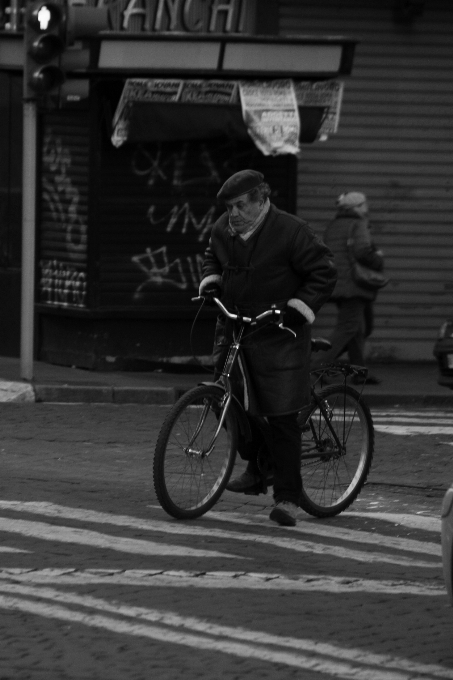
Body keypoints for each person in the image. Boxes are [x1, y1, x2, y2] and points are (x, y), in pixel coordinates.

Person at [198, 169, 337, 527]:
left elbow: (323, 271)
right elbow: (211, 254)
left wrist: (298, 308)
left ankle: (288, 497)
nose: (234, 213)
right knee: (226, 402)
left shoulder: (291, 231)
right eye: (230, 207)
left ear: (261, 200)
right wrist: (211, 279)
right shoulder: (223, 229)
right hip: (235, 329)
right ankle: (259, 465)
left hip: (279, 334)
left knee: (280, 415)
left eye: (241, 205)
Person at [313, 191, 384, 384]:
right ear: (357, 207)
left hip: (338, 283)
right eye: (364, 204)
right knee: (348, 327)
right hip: (354, 284)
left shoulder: (334, 225)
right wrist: (378, 258)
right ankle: (316, 366)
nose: (366, 208)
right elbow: (362, 251)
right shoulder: (358, 224)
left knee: (358, 329)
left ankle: (359, 374)